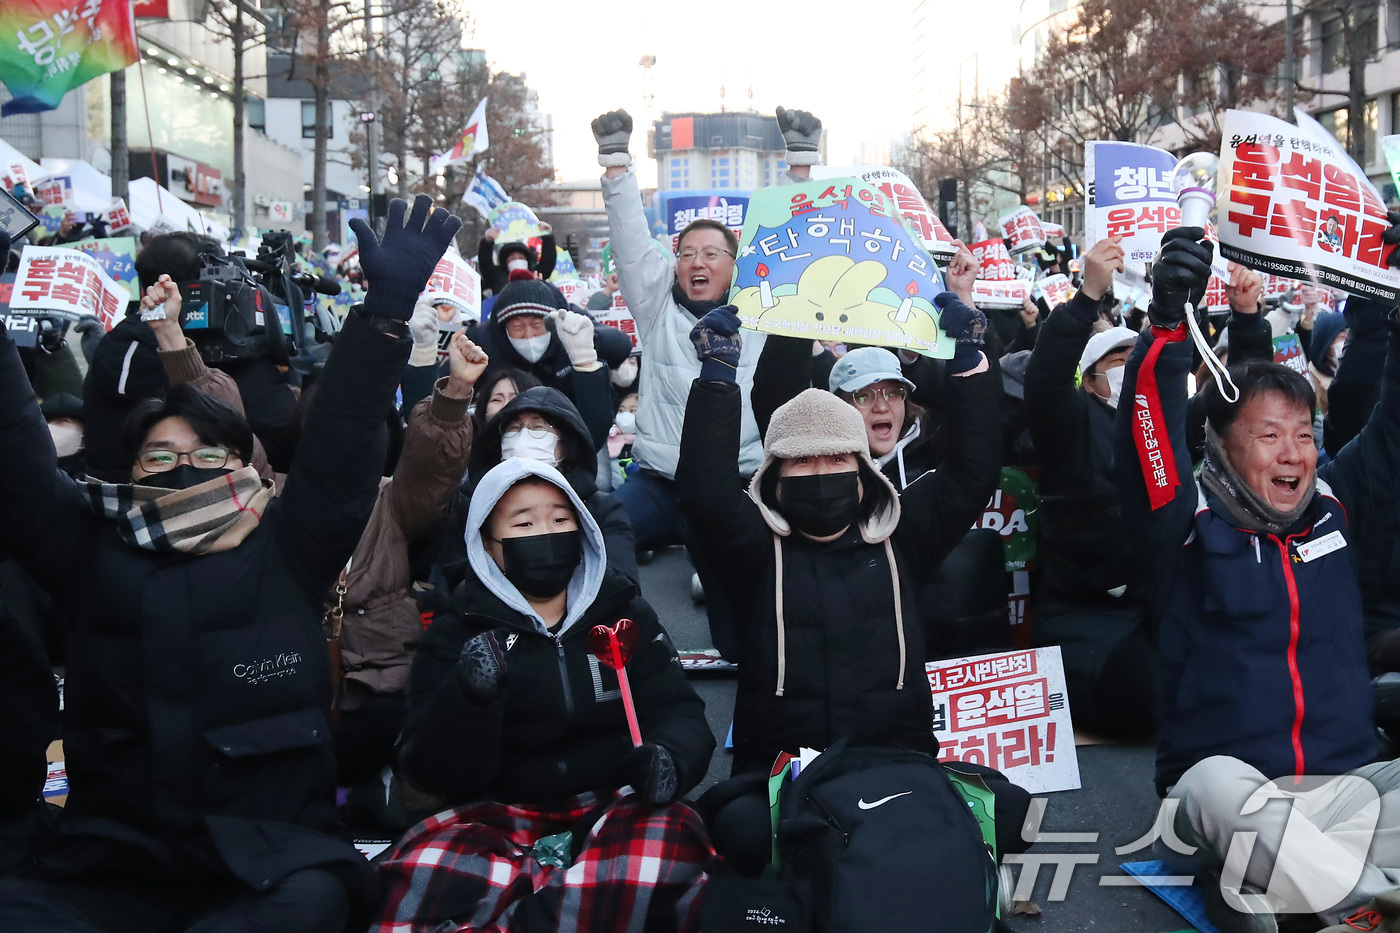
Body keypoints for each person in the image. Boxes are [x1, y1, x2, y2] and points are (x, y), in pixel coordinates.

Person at [0, 196, 461, 933]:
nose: (184, 467)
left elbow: (340, 449)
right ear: (133, 469)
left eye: (206, 454)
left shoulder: (286, 544)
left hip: (270, 861)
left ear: (238, 464)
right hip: (114, 866)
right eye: (161, 455)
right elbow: (16, 457)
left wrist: (383, 314)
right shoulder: (88, 549)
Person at [675, 301, 1028, 872]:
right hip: (783, 769)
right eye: (802, 464)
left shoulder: (904, 532)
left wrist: (969, 362)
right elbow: (703, 492)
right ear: (775, 477)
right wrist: (717, 378)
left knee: (1010, 812)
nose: (821, 475)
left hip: (896, 760)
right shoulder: (756, 548)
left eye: (837, 458)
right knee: (736, 835)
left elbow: (972, 472)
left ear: (863, 469)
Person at [1117, 225, 1400, 930]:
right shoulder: (1185, 523)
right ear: (1222, 443)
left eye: (1304, 435)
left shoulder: (1334, 506)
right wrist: (1164, 324)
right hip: (1229, 801)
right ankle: (1369, 904)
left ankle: (1320, 895)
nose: (1294, 454)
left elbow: (1396, 424)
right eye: (1269, 435)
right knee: (1213, 786)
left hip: (1347, 793)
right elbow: (1148, 424)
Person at [376, 458, 715, 933]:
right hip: (495, 815)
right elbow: (425, 766)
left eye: (560, 518)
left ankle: (518, 912)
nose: (547, 531)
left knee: (662, 851)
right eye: (524, 522)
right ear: (489, 546)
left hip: (613, 803)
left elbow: (678, 709)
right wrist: (468, 699)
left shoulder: (624, 614)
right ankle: (577, 908)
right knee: (422, 874)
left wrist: (671, 760)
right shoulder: (459, 628)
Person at [593, 104, 822, 659]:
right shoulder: (655, 306)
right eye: (687, 253)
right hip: (660, 481)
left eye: (712, 253)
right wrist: (618, 163)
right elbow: (629, 240)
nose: (698, 261)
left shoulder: (762, 311)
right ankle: (622, 649)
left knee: (734, 628)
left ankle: (742, 647)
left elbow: (795, 236)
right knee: (596, 540)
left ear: (735, 265)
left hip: (735, 484)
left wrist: (801, 163)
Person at [330, 329, 485, 800]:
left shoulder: (391, 500)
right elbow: (224, 448)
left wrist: (456, 391)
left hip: (381, 680)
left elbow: (432, 465)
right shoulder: (271, 493)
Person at [470, 275, 627, 448]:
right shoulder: (485, 339)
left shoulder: (567, 322)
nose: (529, 335)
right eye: (518, 327)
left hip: (573, 430)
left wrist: (588, 342)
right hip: (506, 434)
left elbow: (620, 346)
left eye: (537, 325)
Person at [476, 222, 556, 295]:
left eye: (522, 258)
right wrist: (487, 241)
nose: (518, 261)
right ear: (505, 261)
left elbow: (548, 260)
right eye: (512, 258)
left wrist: (547, 236)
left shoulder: (535, 274)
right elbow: (485, 262)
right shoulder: (496, 276)